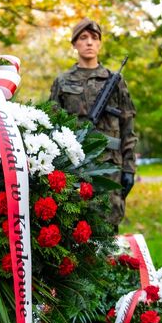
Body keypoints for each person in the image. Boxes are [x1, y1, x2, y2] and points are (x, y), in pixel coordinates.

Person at [50, 18, 138, 227]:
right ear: (74, 44)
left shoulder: (114, 80)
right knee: (73, 224)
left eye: (94, 38)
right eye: (83, 38)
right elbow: (52, 126)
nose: (89, 42)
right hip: (74, 167)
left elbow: (128, 126)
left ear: (99, 44)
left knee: (108, 226)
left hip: (110, 167)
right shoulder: (62, 82)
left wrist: (129, 169)